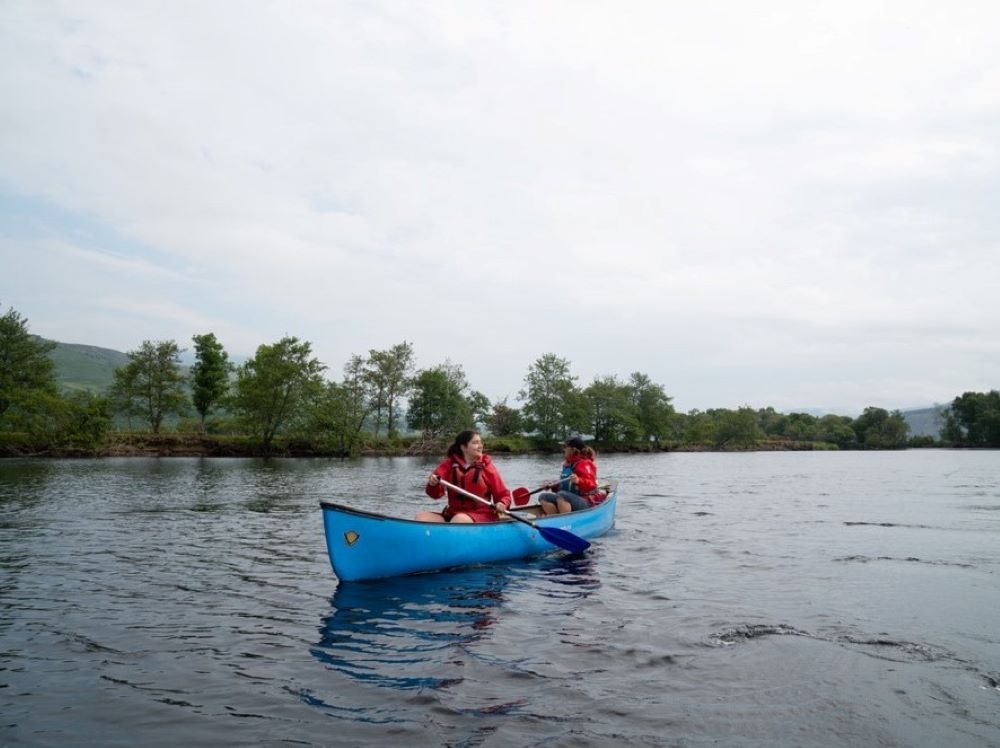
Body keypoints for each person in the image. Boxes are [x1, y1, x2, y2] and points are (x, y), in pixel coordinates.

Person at [416, 429, 513, 523]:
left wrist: (502, 503)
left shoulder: (486, 466)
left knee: (459, 519)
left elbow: (504, 495)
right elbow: (435, 495)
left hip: (481, 514)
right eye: (475, 443)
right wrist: (433, 484)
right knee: (421, 517)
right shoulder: (449, 465)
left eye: (480, 443)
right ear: (464, 447)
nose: (480, 446)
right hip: (453, 513)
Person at [538, 436, 602, 515]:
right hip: (569, 499)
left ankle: (564, 521)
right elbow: (565, 486)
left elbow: (592, 485)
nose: (563, 449)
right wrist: (552, 486)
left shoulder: (585, 463)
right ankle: (554, 520)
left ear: (573, 450)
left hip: (586, 502)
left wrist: (579, 481)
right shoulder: (567, 464)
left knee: (562, 495)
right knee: (543, 497)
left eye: (565, 447)